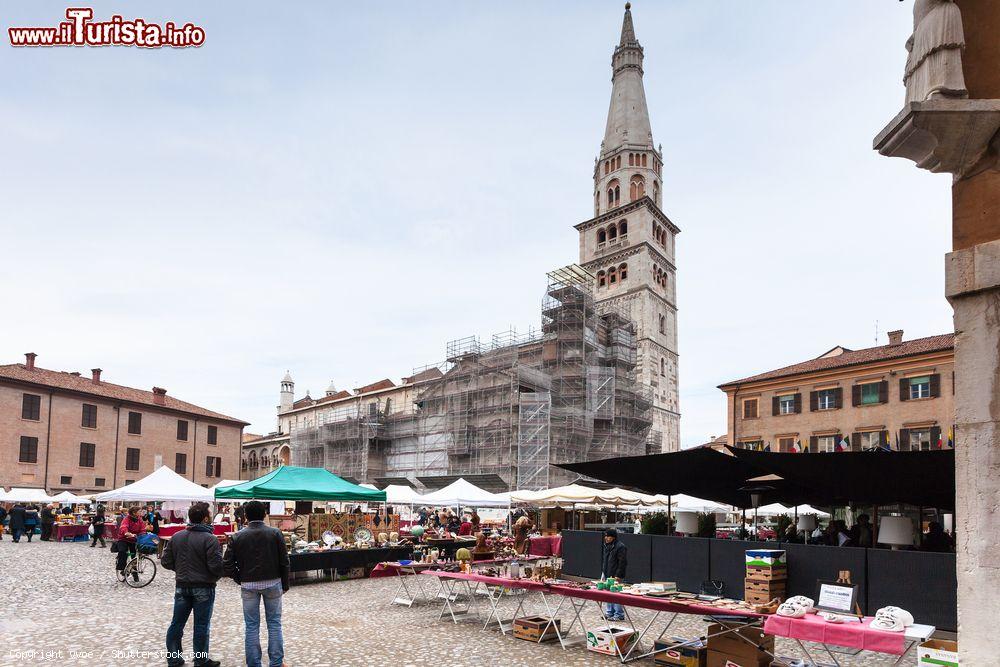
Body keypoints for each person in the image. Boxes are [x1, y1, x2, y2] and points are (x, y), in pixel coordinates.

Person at [224, 500, 289, 667]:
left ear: (245, 516)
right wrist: (285, 583)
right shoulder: (275, 533)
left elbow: (227, 564)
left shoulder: (237, 536)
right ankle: (276, 662)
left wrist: (240, 578)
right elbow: (284, 560)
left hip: (249, 584)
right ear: (265, 514)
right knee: (274, 623)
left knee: (252, 625)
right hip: (273, 582)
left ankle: (254, 663)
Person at [161, 502, 223, 667]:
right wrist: (214, 574)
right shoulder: (210, 539)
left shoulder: (177, 536)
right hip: (203, 586)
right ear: (204, 519)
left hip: (182, 585)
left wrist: (180, 569)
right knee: (201, 625)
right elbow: (216, 567)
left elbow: (166, 561)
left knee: (177, 623)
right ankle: (201, 660)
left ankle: (174, 659)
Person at [601, 529, 628, 621]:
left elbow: (622, 562)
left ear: (613, 537)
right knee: (609, 594)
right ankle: (610, 612)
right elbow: (606, 561)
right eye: (605, 536)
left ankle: (619, 614)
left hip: (616, 575)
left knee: (616, 594)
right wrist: (604, 573)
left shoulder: (620, 547)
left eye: (608, 536)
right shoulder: (607, 545)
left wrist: (618, 575)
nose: (606, 538)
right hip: (608, 574)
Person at [116, 506, 148, 575]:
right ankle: (122, 568)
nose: (141, 513)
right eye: (139, 511)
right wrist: (126, 532)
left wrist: (143, 534)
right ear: (134, 513)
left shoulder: (140, 519)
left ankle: (134, 572)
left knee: (135, 556)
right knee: (123, 551)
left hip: (134, 539)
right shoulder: (127, 518)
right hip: (124, 538)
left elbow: (142, 529)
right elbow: (124, 526)